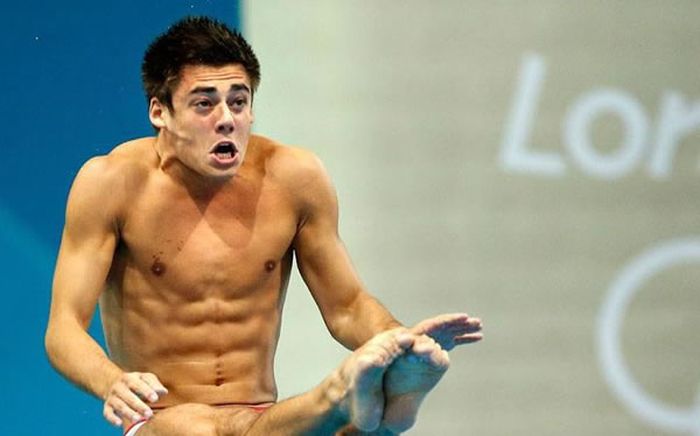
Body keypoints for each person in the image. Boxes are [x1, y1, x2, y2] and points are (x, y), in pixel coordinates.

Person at [44, 16, 483, 436]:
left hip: (259, 416)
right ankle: (344, 398)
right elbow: (63, 330)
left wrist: (399, 341)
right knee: (211, 430)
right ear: (160, 112)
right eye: (204, 104)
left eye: (239, 101)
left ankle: (377, 407)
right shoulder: (111, 184)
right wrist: (111, 382)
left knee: (335, 433)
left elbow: (347, 306)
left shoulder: (294, 178)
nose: (226, 119)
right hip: (163, 418)